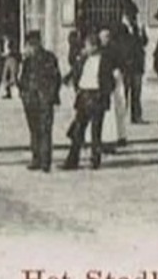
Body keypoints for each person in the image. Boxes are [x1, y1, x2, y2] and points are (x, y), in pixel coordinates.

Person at [63, 32, 118, 170]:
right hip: (83, 96)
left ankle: (95, 159)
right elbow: (75, 72)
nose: (85, 48)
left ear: (94, 47)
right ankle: (72, 160)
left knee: (96, 131)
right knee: (78, 130)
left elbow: (110, 81)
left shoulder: (105, 61)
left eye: (87, 46)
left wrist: (103, 94)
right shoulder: (83, 59)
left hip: (97, 96)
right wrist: (69, 81)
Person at [18, 31, 63, 172]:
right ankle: (36, 158)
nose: (29, 48)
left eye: (30, 45)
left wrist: (51, 96)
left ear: (36, 44)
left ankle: (45, 161)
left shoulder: (49, 58)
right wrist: (23, 94)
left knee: (44, 130)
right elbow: (23, 79)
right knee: (35, 130)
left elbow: (56, 79)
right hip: (31, 99)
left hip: (44, 100)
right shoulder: (27, 61)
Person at [98, 26, 130, 149]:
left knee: (118, 110)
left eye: (106, 37)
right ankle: (113, 137)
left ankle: (119, 136)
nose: (104, 39)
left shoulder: (113, 50)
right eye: (103, 37)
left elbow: (119, 65)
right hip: (109, 82)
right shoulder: (104, 50)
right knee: (112, 112)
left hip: (115, 81)